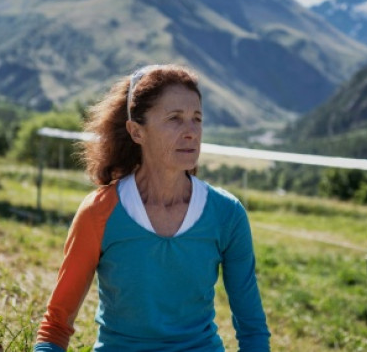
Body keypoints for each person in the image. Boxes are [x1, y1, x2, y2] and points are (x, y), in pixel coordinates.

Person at [33, 64, 270, 352]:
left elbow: (252, 329)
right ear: (136, 131)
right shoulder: (99, 212)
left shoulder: (227, 214)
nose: (191, 132)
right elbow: (56, 325)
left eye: (197, 119)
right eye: (174, 119)